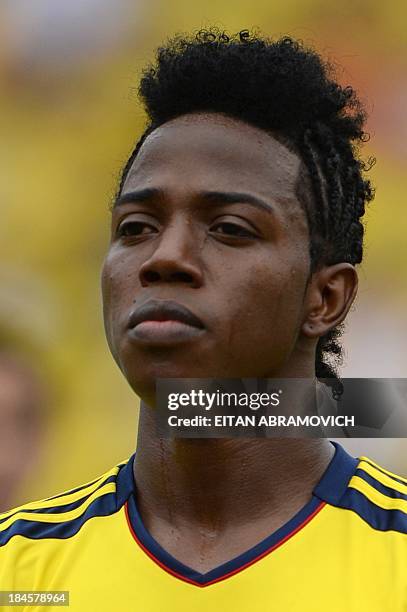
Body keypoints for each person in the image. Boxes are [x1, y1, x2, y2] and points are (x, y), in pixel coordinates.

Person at [0, 29, 405, 611]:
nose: (164, 257)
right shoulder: (20, 573)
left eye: (230, 228)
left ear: (325, 298)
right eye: (136, 227)